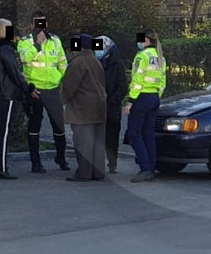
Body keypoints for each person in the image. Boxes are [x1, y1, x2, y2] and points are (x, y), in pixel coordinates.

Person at [0, 18, 38, 180]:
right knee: (3, 132)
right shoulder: (6, 49)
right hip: (5, 94)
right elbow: (14, 72)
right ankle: (1, 167)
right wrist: (28, 89)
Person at [16, 11, 71, 172]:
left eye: (43, 23)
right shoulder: (25, 42)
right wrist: (37, 45)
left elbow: (62, 63)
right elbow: (24, 59)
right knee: (34, 126)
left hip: (53, 89)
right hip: (35, 90)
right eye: (37, 24)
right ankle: (36, 162)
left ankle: (61, 158)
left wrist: (61, 79)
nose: (41, 28)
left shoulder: (55, 41)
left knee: (58, 126)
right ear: (31, 25)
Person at [60, 34, 107, 182]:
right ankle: (98, 172)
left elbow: (69, 86)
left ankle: (84, 173)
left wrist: (62, 99)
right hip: (99, 106)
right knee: (97, 143)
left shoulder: (77, 62)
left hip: (82, 108)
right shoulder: (95, 60)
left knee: (83, 142)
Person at [123, 30, 166, 183]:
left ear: (147, 40)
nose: (139, 42)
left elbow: (137, 80)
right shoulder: (160, 57)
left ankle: (145, 168)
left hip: (141, 97)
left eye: (141, 40)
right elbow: (162, 82)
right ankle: (151, 167)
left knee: (135, 134)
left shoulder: (142, 56)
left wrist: (130, 101)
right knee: (148, 134)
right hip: (154, 97)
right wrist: (156, 97)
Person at [95, 35, 129, 174]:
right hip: (97, 106)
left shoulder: (117, 64)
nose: (97, 51)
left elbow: (122, 86)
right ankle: (98, 163)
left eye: (100, 48)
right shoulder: (96, 63)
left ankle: (112, 163)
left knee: (112, 136)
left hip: (111, 107)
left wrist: (112, 100)